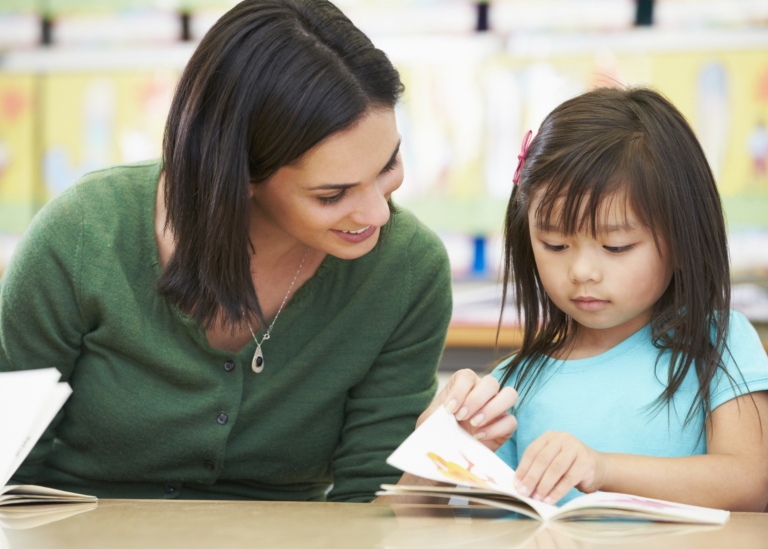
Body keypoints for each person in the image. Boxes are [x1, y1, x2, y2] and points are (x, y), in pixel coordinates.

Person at [0, 0, 516, 503]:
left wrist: (433, 465)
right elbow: (10, 472)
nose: (378, 214)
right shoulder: (83, 233)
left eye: (389, 164)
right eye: (332, 195)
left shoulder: (406, 268)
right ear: (237, 176)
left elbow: (371, 504)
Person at [494, 87, 768, 510]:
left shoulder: (719, 343)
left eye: (617, 246)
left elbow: (750, 482)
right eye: (554, 244)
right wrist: (437, 440)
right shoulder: (511, 384)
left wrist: (603, 469)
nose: (582, 271)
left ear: (682, 236)